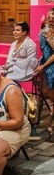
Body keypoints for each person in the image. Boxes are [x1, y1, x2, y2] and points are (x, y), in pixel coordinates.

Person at [35, 8, 54, 139]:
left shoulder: (48, 32)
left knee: (52, 100)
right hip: (45, 63)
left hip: (50, 66)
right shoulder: (46, 30)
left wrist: (43, 65)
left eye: (53, 16)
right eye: (50, 15)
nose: (51, 18)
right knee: (40, 95)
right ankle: (38, 120)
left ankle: (51, 127)